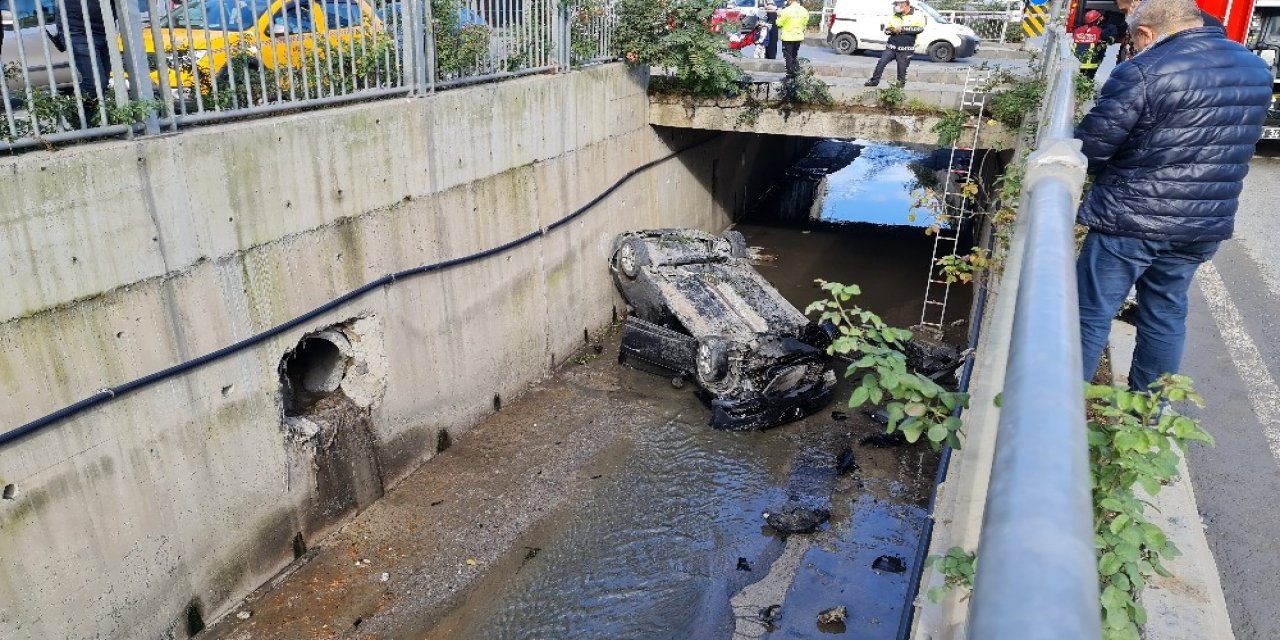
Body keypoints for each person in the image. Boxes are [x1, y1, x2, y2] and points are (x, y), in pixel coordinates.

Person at [1075, 0, 1271, 390]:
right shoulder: (1253, 68)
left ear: (1145, 32)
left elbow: (1091, 150)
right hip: (1203, 225)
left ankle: (1055, 416)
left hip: (1131, 220)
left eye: (1133, 40)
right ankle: (1148, 417)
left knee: (1088, 315)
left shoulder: (1145, 71)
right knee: (1165, 314)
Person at [1112, 0, 1222, 62]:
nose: (1128, 16)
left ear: (1138, 2)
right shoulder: (1139, 28)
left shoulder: (1201, 25)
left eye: (1126, 10)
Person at [864, 0, 925, 87]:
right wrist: (893, 30)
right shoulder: (895, 15)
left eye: (897, 4)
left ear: (905, 4)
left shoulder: (917, 15)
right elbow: (886, 30)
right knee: (881, 62)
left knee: (901, 71)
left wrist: (903, 29)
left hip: (905, 50)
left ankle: (899, 89)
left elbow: (920, 29)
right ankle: (874, 81)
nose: (895, 6)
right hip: (891, 47)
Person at [775, 0, 808, 77]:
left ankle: (790, 74)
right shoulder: (804, 10)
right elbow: (805, 22)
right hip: (798, 36)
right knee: (794, 55)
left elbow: (778, 23)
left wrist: (778, 16)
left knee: (788, 56)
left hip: (788, 36)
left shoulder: (786, 11)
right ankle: (795, 71)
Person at [1071, 9, 1107, 79]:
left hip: (1077, 62)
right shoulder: (1099, 31)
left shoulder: (1077, 30)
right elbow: (1104, 42)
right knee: (1087, 81)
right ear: (1096, 20)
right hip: (1091, 64)